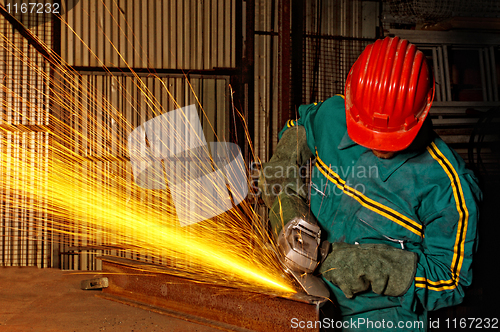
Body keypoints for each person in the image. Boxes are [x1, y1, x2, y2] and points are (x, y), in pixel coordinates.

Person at [258, 36, 482, 331]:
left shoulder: (448, 189)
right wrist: (285, 195)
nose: (377, 146)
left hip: (379, 321)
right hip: (304, 299)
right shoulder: (335, 115)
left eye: (389, 138)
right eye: (366, 132)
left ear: (424, 108)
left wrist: (370, 266)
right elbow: (302, 127)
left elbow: (452, 282)